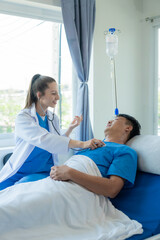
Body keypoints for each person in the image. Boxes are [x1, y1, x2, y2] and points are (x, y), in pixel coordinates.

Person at [0, 74, 104, 190]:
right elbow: (44, 139)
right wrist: (83, 143)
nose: (58, 97)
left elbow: (56, 142)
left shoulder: (53, 118)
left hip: (42, 171)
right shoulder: (24, 117)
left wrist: (70, 128)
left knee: (17, 192)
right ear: (39, 95)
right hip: (19, 170)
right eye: (53, 93)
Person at [50, 114, 141, 198]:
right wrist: (55, 171)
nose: (109, 121)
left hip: (77, 192)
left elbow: (112, 189)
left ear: (128, 128)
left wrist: (70, 173)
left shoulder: (125, 151)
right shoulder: (90, 145)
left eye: (115, 120)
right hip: (56, 183)